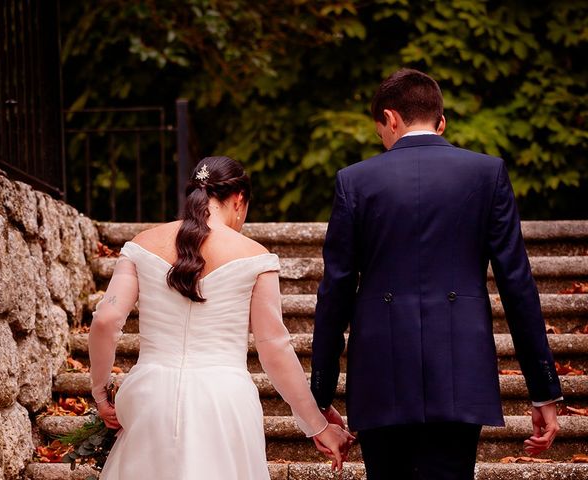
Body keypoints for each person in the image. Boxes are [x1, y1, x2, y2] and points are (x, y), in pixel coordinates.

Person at [310, 69, 563, 480]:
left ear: (390, 119)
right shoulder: (487, 174)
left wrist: (319, 393)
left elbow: (335, 292)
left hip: (380, 374)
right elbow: (517, 285)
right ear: (440, 121)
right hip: (460, 370)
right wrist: (544, 390)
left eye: (381, 132)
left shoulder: (354, 181)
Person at [88, 156, 354, 479]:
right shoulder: (255, 256)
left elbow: (105, 319)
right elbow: (274, 349)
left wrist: (100, 391)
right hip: (224, 401)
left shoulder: (142, 244)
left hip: (150, 396)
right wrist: (317, 425)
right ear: (239, 199)